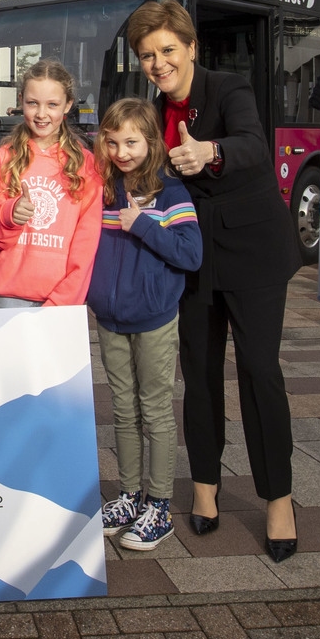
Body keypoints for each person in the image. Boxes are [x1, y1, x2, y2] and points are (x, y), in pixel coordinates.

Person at [127, 0, 303, 562]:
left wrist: (211, 151)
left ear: (192, 47)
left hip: (253, 250)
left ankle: (278, 498)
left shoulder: (229, 88)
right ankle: (205, 489)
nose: (159, 63)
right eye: (148, 55)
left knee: (259, 371)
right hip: (194, 256)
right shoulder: (152, 113)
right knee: (199, 374)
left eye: (168, 51)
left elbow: (254, 144)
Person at [90, 97, 202, 553]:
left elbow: (190, 255)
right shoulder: (102, 189)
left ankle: (159, 504)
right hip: (110, 319)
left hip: (155, 319)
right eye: (113, 141)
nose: (122, 151)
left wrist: (142, 225)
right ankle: (129, 494)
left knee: (154, 410)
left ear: (151, 140)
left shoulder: (171, 193)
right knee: (122, 408)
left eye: (132, 141)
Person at [0, 59, 103, 308]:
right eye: (32, 103)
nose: (41, 114)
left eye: (52, 105)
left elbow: (86, 245)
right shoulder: (5, 158)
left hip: (62, 298)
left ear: (68, 104)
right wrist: (11, 214)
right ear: (20, 100)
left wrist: (62, 303)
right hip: (10, 295)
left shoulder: (86, 166)